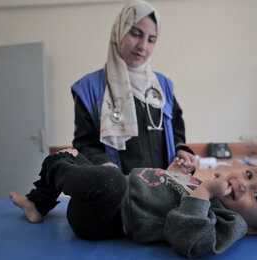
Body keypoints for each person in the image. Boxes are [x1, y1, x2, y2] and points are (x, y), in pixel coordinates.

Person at [10, 148, 257, 258]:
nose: (244, 183)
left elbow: (187, 237)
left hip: (106, 217)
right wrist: (174, 175)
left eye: (256, 196)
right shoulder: (210, 189)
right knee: (83, 160)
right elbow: (162, 196)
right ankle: (38, 203)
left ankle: (57, 170)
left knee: (97, 174)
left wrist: (205, 192)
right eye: (249, 174)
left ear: (256, 230)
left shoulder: (229, 222)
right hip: (116, 192)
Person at [71, 0, 197, 174]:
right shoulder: (89, 88)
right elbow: (85, 145)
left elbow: (175, 127)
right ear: (119, 31)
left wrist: (181, 149)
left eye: (151, 40)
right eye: (136, 33)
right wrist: (104, 165)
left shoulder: (162, 85)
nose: (143, 46)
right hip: (119, 193)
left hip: (163, 190)